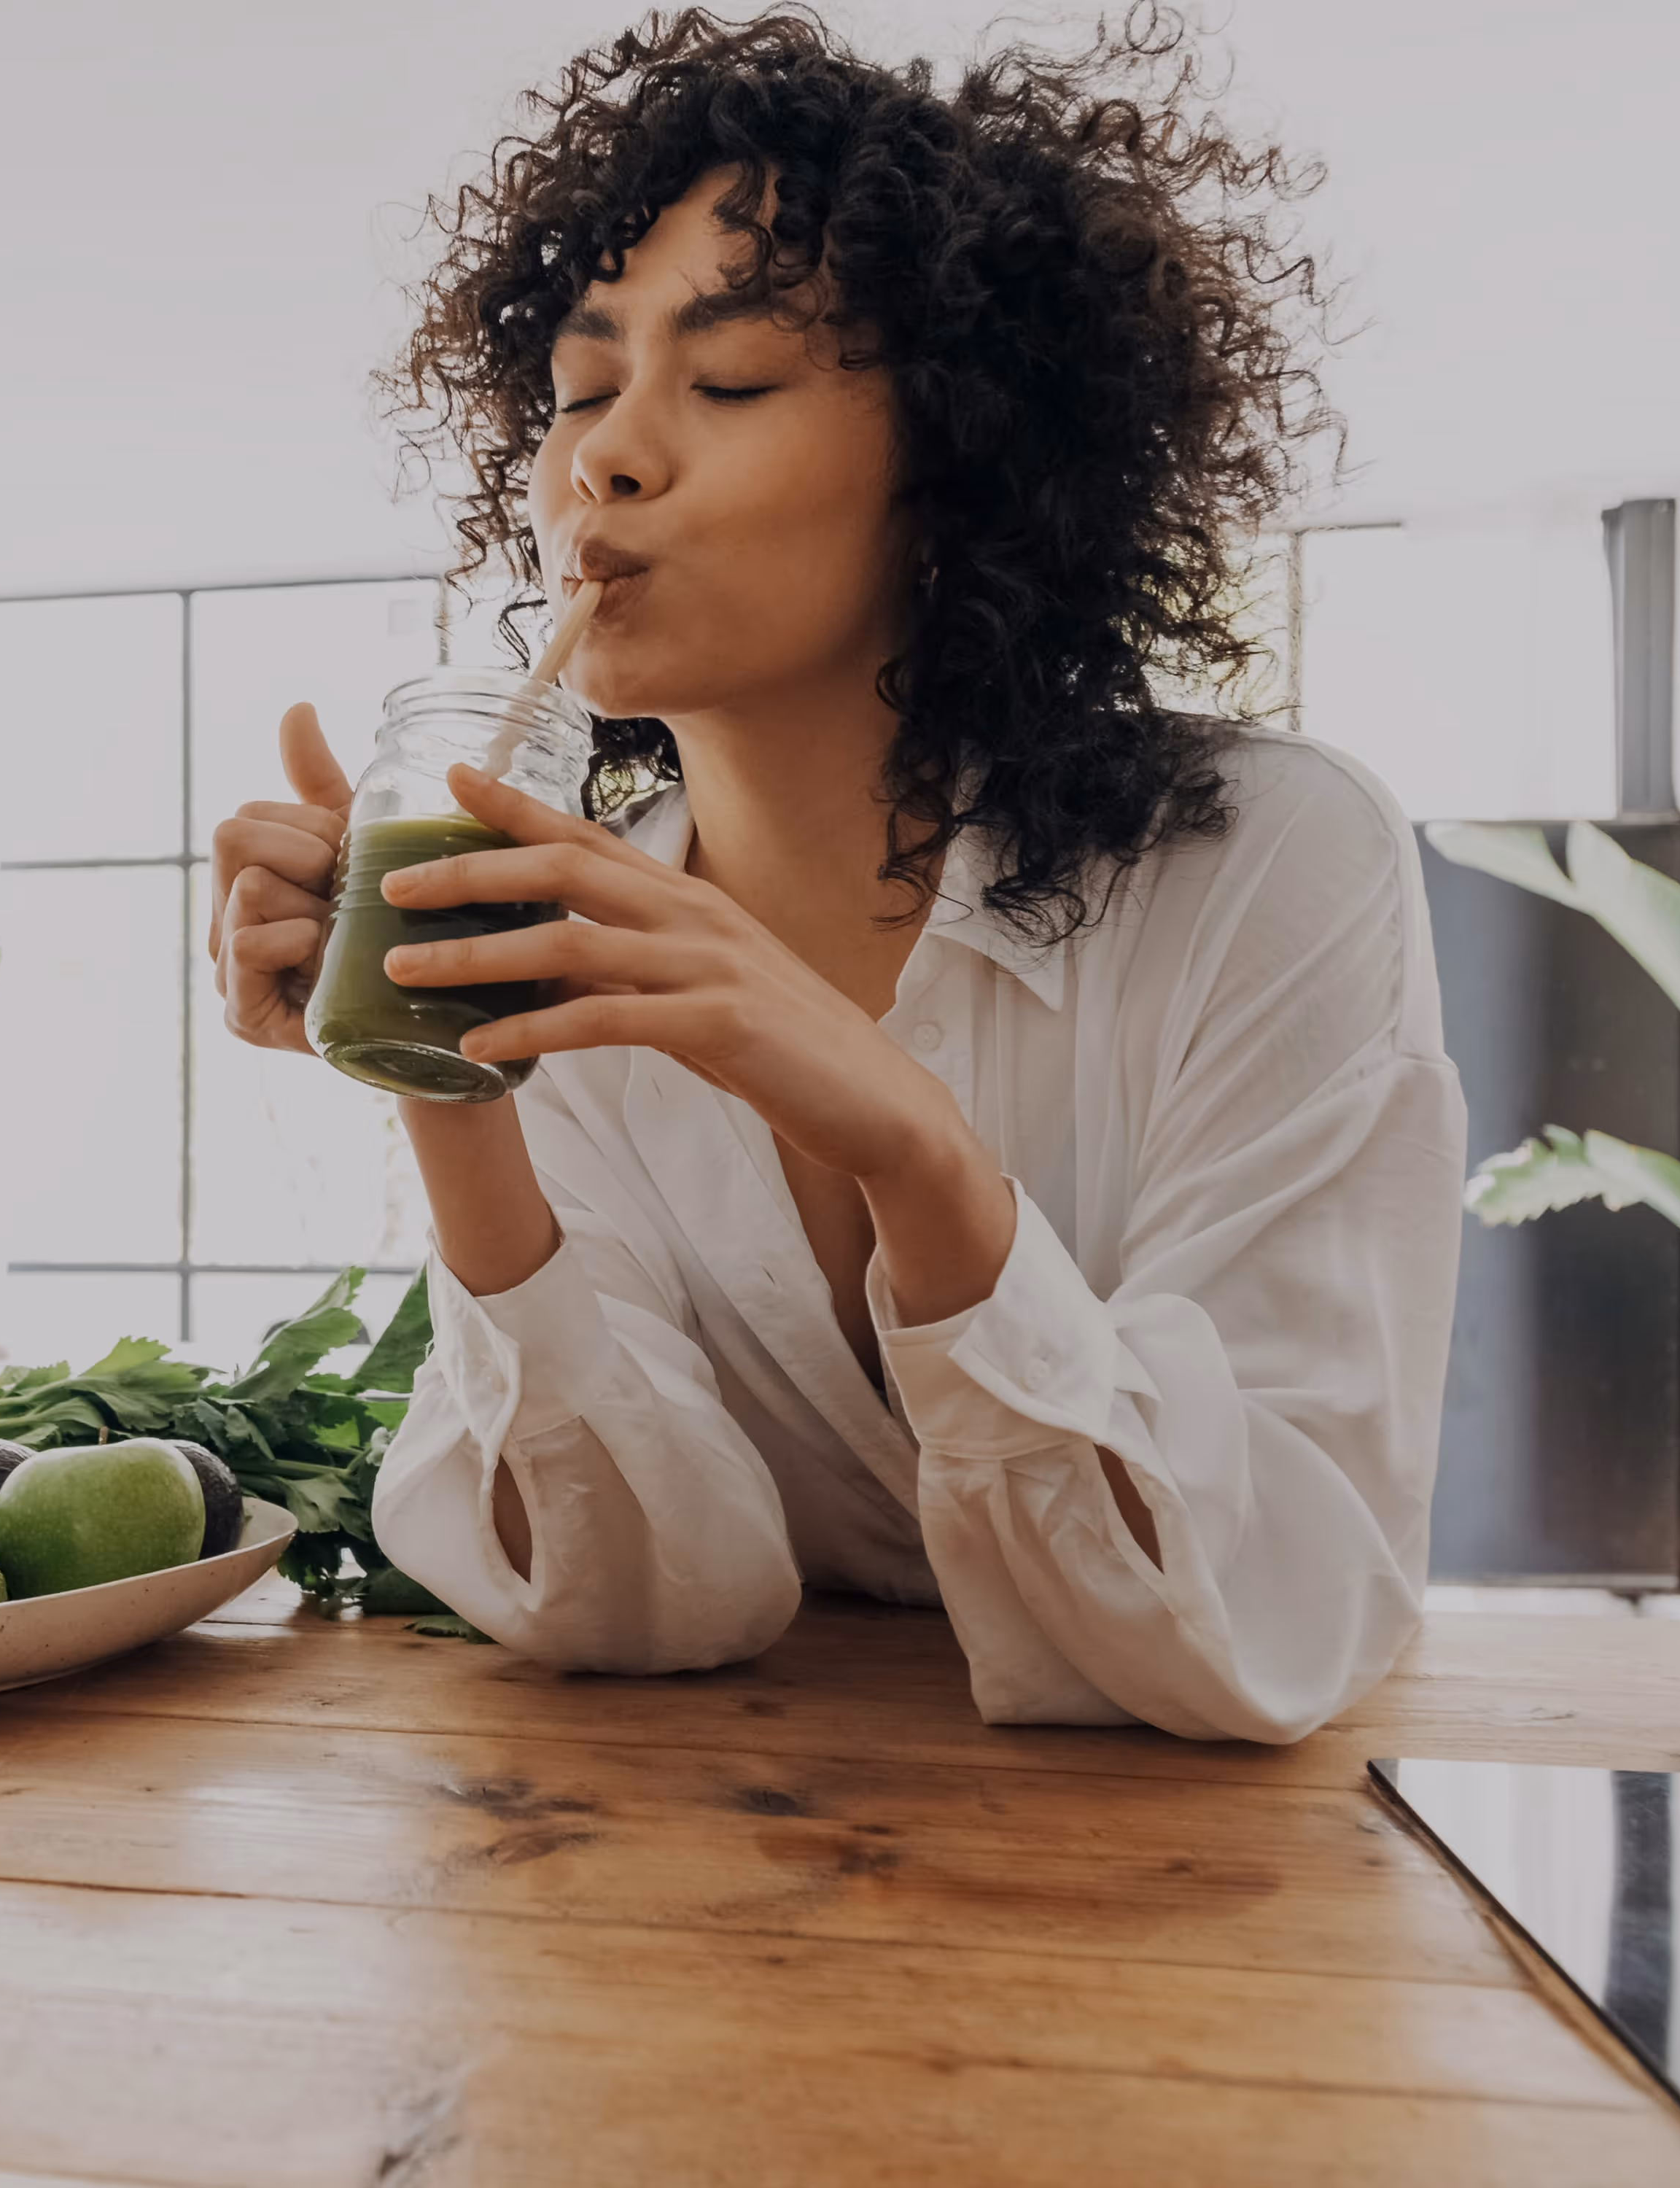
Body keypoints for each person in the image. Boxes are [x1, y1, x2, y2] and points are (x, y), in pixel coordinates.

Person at [207, 9, 1463, 1742]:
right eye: (581, 389)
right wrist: (443, 1059)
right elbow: (634, 1607)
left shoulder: (1265, 861)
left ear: (957, 457)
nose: (606, 456)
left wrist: (916, 1151)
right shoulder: (562, 926)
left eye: (727, 382)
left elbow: (1266, 1617)